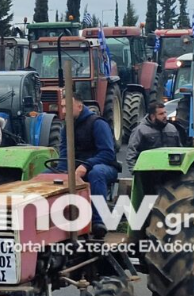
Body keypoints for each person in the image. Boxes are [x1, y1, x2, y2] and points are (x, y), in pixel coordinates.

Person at [53, 95, 119, 238]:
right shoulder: (66, 127)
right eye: (62, 107)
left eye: (67, 107)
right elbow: (64, 153)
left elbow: (108, 153)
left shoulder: (97, 124)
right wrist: (61, 171)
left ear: (79, 107)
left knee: (96, 173)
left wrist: (86, 165)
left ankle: (98, 221)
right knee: (47, 175)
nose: (63, 111)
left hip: (104, 166)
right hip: (78, 168)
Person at [126, 98, 181, 171]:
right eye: (161, 114)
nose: (165, 116)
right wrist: (135, 172)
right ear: (152, 116)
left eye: (165, 112)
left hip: (171, 172)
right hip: (148, 172)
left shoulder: (172, 128)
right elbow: (131, 153)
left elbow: (180, 149)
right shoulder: (140, 131)